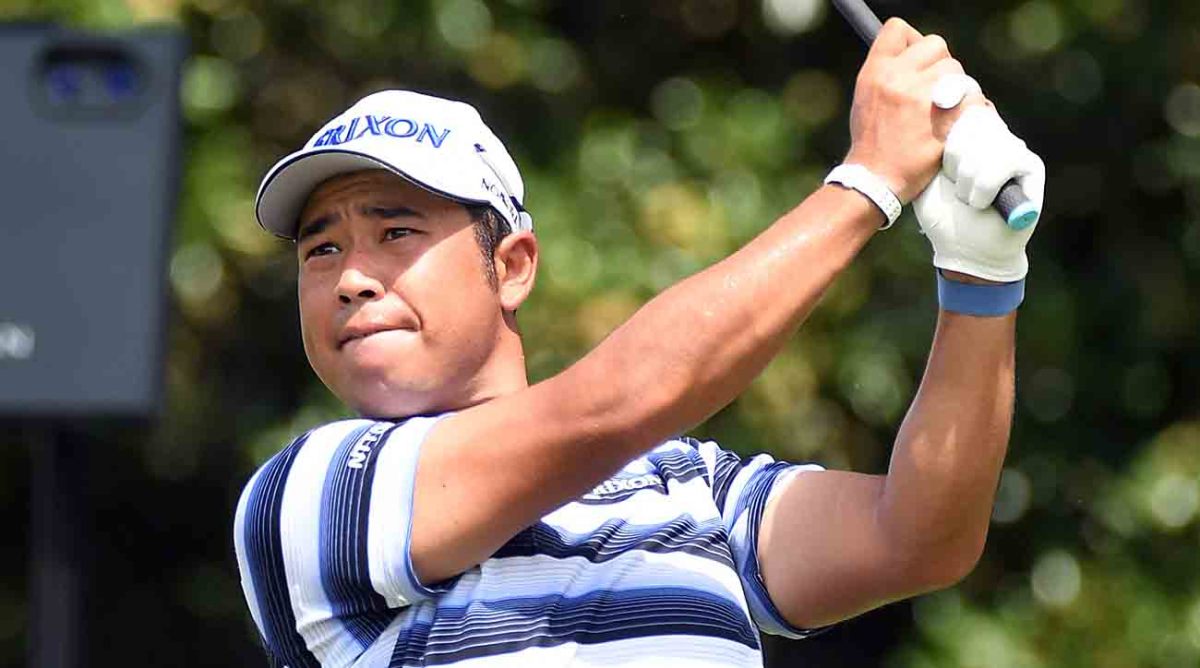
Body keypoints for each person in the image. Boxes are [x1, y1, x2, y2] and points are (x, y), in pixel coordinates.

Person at [233, 19, 1045, 668]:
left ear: (512, 267)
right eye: (321, 249)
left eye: (396, 231)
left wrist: (981, 275)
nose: (351, 279)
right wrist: (869, 181)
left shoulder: (693, 489)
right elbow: (616, 405)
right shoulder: (310, 497)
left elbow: (919, 539)